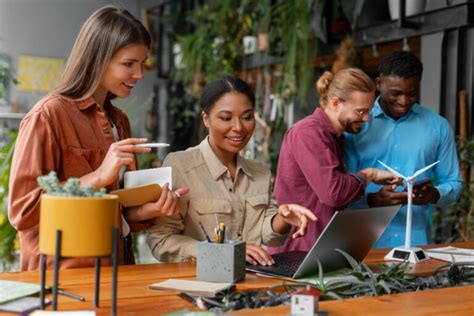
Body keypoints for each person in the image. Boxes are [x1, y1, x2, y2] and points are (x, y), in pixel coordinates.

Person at [8, 6, 187, 271]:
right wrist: (98, 177)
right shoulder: (47, 117)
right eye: (129, 64)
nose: (139, 74)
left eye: (142, 63)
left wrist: (150, 210)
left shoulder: (120, 121)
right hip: (64, 280)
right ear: (98, 59)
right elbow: (23, 211)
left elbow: (116, 211)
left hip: (118, 270)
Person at [147, 76, 317, 266]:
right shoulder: (180, 166)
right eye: (226, 118)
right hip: (198, 283)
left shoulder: (260, 172)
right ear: (206, 119)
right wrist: (222, 253)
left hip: (251, 283)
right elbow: (160, 240)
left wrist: (283, 218)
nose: (238, 127)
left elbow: (269, 236)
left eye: (246, 117)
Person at [269, 68, 400, 254]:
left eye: (369, 111)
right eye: (360, 111)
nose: (367, 118)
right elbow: (333, 193)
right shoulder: (307, 133)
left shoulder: (335, 137)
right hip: (297, 253)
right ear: (336, 103)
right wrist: (369, 174)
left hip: (319, 250)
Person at [344, 52, 463, 248]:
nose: (404, 101)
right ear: (379, 83)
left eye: (412, 93)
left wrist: (434, 194)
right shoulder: (355, 125)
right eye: (396, 93)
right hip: (362, 247)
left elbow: (454, 183)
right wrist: (372, 200)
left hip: (416, 246)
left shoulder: (438, 127)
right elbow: (339, 188)